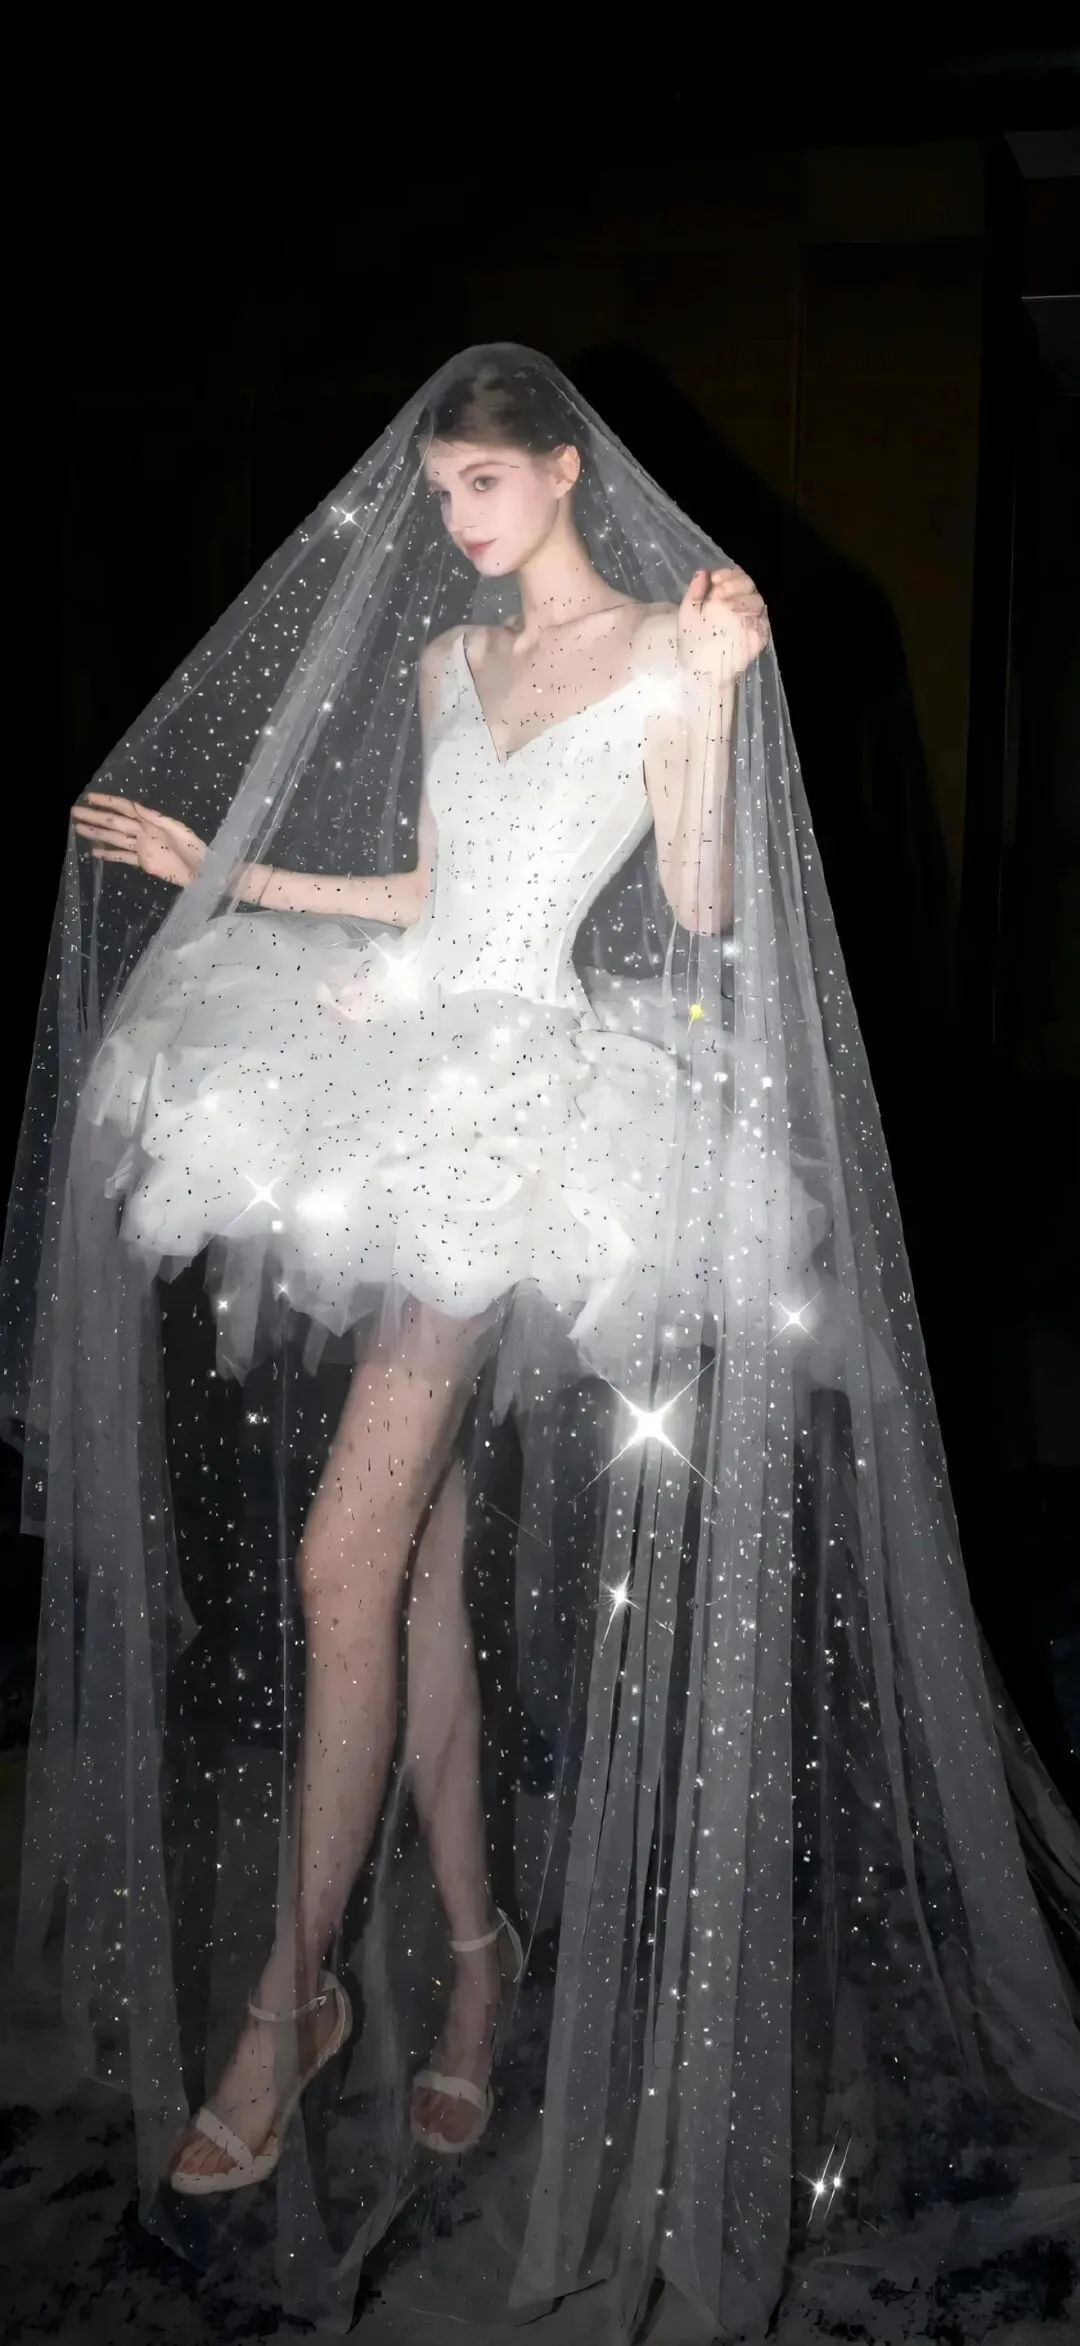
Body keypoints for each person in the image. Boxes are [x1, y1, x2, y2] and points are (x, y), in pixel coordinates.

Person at [4, 346, 1080, 2341]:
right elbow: (432, 890)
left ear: (566, 472)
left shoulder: (670, 650)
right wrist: (221, 874)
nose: (453, 523)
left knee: (339, 1554)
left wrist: (722, 695)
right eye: (437, 495)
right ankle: (480, 1957)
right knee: (403, 1565)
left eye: (479, 488)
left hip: (524, 1115)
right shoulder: (449, 661)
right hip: (396, 1049)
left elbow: (697, 897)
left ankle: (292, 2001)